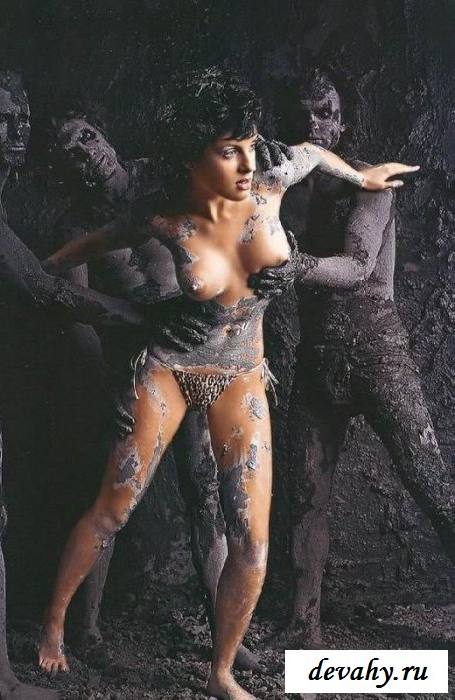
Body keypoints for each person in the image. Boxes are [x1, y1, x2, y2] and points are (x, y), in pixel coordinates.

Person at [37, 66, 416, 700]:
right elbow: (84, 249)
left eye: (248, 144)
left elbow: (315, 153)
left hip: (241, 373)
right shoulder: (166, 220)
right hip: (170, 369)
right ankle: (53, 626)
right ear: (191, 160)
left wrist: (364, 178)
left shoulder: (271, 182)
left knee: (252, 540)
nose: (245, 163)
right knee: (113, 509)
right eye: (226, 151)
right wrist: (44, 274)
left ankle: (221, 672)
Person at [0, 67, 151, 700]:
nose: (17, 130)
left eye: (22, 118)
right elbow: (40, 289)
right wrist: (143, 315)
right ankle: (0, 683)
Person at [40, 107, 290, 670]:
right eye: (70, 151)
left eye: (89, 137)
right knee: (114, 501)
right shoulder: (75, 226)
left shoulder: (164, 178)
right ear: (61, 169)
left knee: (209, 495)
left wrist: (273, 276)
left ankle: (225, 638)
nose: (87, 154)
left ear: (106, 135)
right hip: (138, 364)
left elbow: (241, 214)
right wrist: (113, 370)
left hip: (209, 353)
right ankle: (85, 629)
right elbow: (75, 307)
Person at [249, 69, 455, 649]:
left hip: (377, 351)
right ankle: (304, 627)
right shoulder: (278, 189)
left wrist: (296, 267)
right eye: (301, 114)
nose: (312, 125)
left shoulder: (370, 183)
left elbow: (359, 266)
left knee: (430, 485)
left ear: (341, 121)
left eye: (325, 112)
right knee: (305, 495)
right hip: (319, 358)